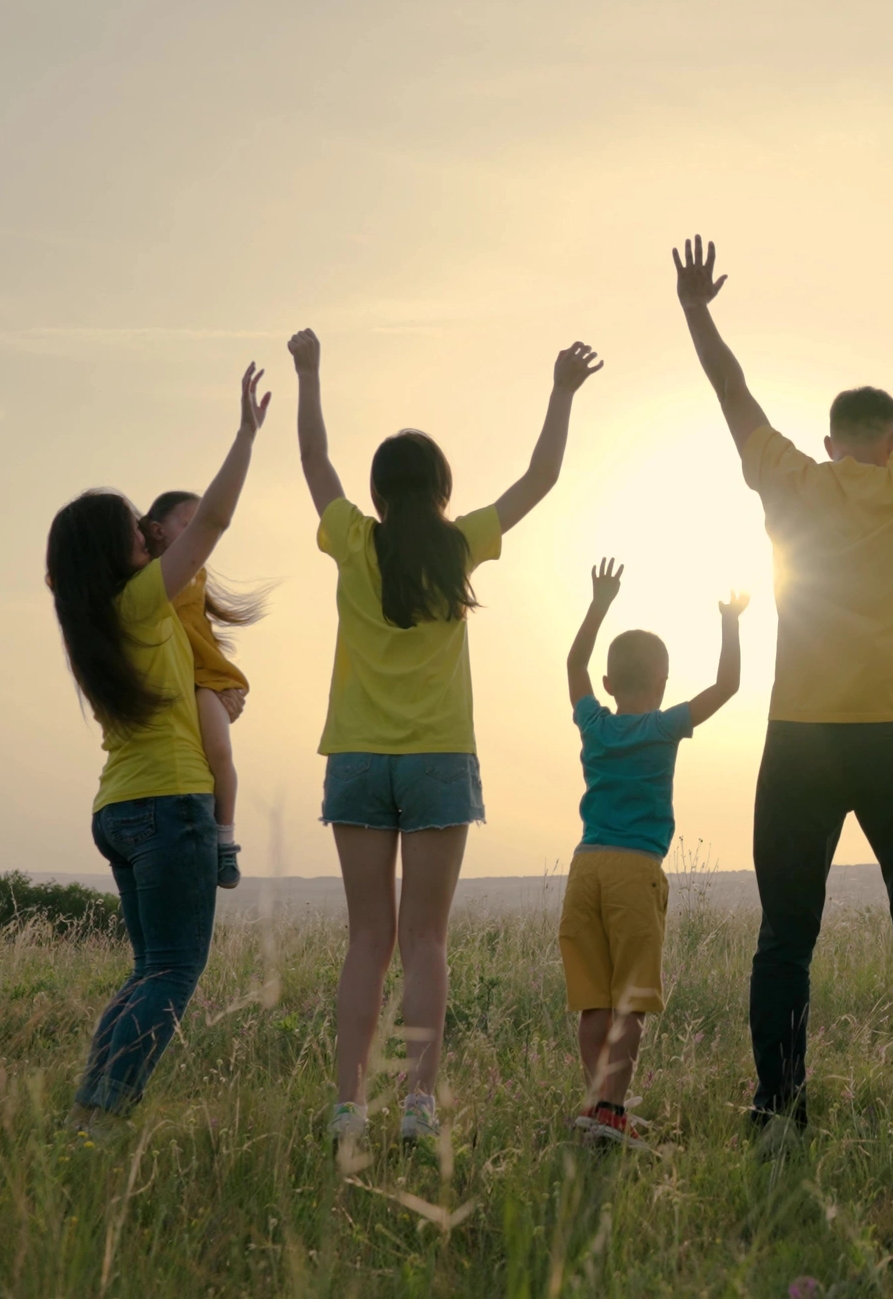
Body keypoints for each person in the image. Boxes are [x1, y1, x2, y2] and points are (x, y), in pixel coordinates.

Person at [670, 225, 893, 1147]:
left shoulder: (792, 479)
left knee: (787, 938)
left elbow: (732, 391)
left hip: (803, 736)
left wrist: (698, 313)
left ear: (831, 442)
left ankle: (779, 1110)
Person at [289, 327, 604, 1146]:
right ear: (440, 488)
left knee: (368, 939)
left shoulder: (353, 543)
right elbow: (542, 478)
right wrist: (562, 391)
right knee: (426, 940)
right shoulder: (459, 545)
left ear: (379, 493)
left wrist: (311, 373)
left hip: (357, 759)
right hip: (436, 761)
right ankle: (419, 1105)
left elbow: (314, 462)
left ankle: (347, 1107)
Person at [46, 363, 269, 1129]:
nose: (148, 535)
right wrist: (244, 437)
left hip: (120, 811)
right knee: (174, 973)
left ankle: (90, 1104)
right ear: (119, 553)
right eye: (135, 533)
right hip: (170, 807)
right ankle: (101, 1112)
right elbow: (209, 525)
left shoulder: (93, 622)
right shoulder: (142, 602)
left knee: (149, 969)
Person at [560, 558, 748, 1148]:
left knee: (594, 1003)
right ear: (663, 681)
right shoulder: (665, 727)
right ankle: (612, 1113)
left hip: (585, 866)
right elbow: (727, 687)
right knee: (630, 1006)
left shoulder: (594, 722)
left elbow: (573, 664)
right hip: (634, 871)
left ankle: (599, 1106)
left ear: (610, 684)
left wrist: (600, 603)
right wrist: (730, 623)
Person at [139, 490, 267, 888]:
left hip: (205, 675)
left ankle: (225, 840)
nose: (198, 533)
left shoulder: (194, 572)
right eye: (187, 524)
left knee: (219, 751)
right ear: (157, 530)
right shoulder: (147, 577)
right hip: (176, 675)